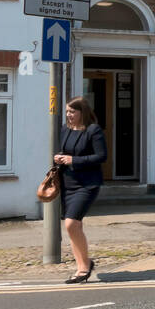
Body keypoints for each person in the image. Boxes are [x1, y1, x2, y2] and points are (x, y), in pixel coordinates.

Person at [56, 96, 107, 283]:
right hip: (67, 184)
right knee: (74, 227)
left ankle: (84, 267)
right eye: (67, 111)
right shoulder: (65, 130)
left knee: (71, 224)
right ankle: (82, 267)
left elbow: (101, 156)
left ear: (82, 112)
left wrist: (73, 160)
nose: (68, 115)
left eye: (72, 112)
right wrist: (60, 158)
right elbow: (65, 152)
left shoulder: (93, 130)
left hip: (87, 184)